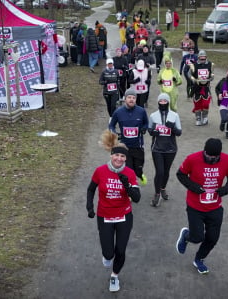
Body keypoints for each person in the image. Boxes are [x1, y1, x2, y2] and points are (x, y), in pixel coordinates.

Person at [86, 129, 141, 292]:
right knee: (108, 253)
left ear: (126, 158)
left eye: (123, 156)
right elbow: (91, 189)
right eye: (117, 155)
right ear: (111, 155)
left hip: (124, 215)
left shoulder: (129, 173)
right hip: (105, 215)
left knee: (121, 250)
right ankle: (108, 257)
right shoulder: (100, 171)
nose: (119, 158)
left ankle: (114, 276)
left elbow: (137, 198)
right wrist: (89, 206)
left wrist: (127, 185)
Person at [175, 138, 228, 274]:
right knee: (197, 237)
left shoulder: (227, 160)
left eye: (215, 157)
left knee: (213, 238)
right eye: (208, 156)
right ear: (204, 151)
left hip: (215, 206)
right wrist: (194, 187)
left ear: (220, 155)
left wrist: (225, 190)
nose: (211, 159)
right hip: (195, 206)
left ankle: (199, 259)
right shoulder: (192, 159)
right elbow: (181, 174)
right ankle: (186, 236)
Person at [109, 88, 149, 185]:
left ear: (136, 99)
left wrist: (144, 128)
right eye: (129, 97)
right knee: (128, 170)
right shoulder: (118, 112)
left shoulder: (141, 111)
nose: (131, 100)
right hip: (125, 146)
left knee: (138, 168)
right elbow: (111, 125)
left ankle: (140, 174)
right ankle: (131, 188)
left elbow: (146, 123)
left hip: (138, 145)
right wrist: (114, 132)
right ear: (125, 99)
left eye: (133, 98)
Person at [148, 93, 182, 207]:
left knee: (166, 171)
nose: (162, 103)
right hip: (157, 148)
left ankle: (162, 188)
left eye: (165, 101)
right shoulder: (153, 115)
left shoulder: (174, 115)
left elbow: (179, 132)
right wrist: (153, 132)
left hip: (170, 148)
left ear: (168, 102)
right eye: (160, 101)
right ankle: (157, 194)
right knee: (160, 171)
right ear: (158, 102)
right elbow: (149, 129)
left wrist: (172, 127)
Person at [188, 50, 215, 126]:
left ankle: (205, 117)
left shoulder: (210, 64)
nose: (202, 60)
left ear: (206, 57)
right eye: (201, 58)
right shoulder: (194, 65)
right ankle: (198, 118)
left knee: (206, 103)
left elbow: (212, 74)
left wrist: (211, 77)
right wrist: (194, 80)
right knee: (197, 103)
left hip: (206, 87)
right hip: (197, 87)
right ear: (198, 57)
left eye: (204, 58)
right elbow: (189, 74)